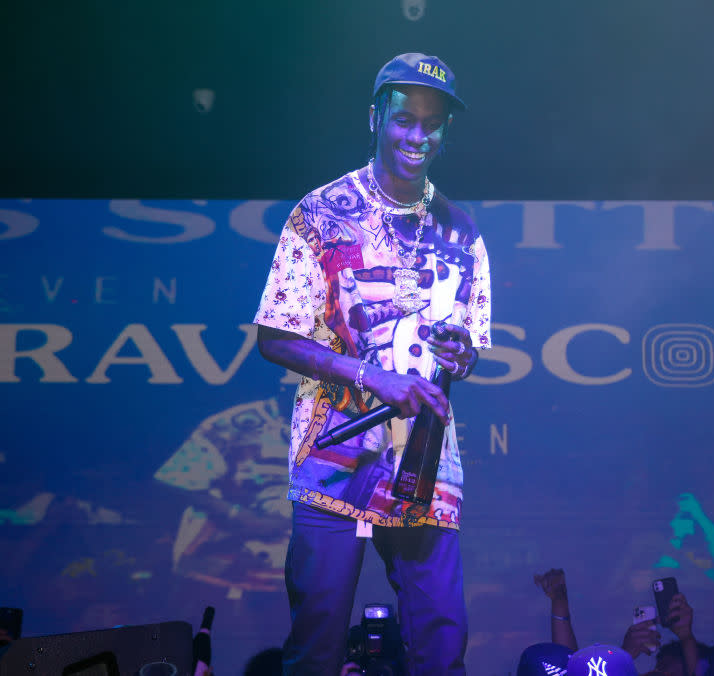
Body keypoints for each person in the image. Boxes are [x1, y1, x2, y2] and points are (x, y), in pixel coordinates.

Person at [254, 52, 491, 676]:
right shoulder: (321, 213)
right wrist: (372, 376)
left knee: (442, 647)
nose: (419, 136)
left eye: (432, 124)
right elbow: (275, 337)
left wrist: (459, 355)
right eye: (405, 120)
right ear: (375, 118)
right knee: (317, 647)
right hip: (335, 460)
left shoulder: (462, 232)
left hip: (425, 468)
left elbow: (467, 348)